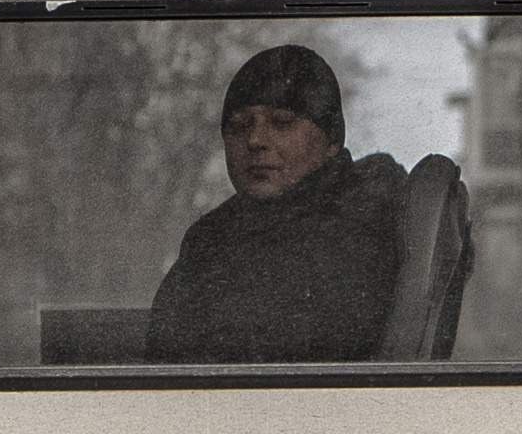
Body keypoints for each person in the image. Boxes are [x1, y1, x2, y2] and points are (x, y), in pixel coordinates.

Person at [145, 44, 410, 366]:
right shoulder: (212, 234)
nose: (255, 140)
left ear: (332, 140)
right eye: (240, 126)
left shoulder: (355, 227)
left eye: (282, 122)